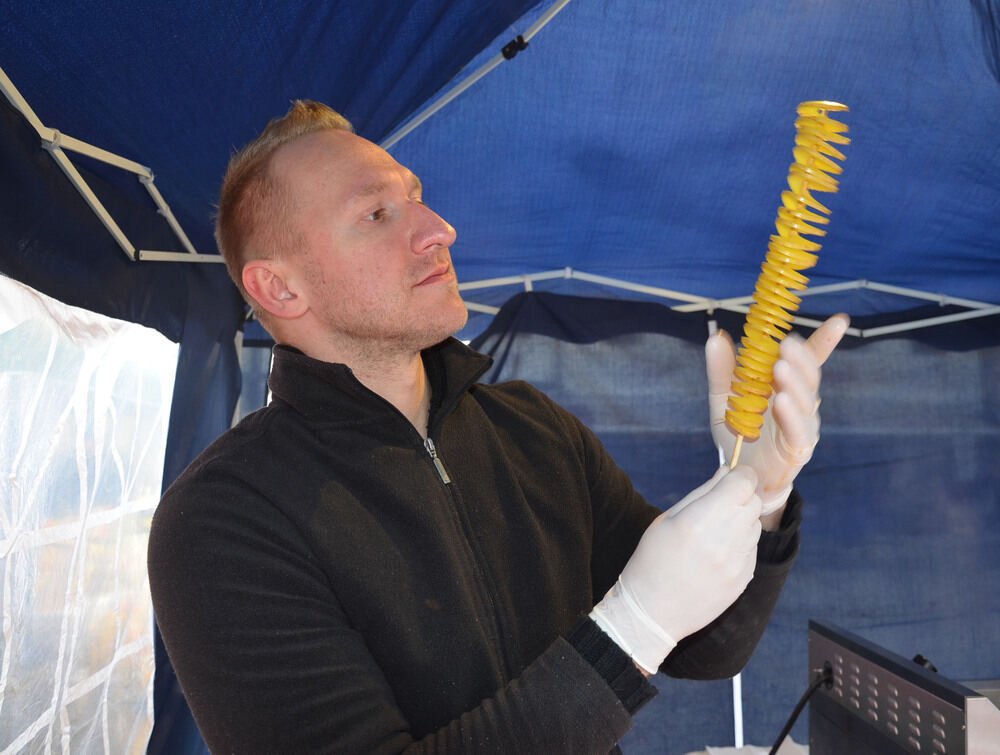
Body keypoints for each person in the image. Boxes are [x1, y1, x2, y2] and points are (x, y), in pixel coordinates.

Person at [147, 100, 849, 754]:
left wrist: (759, 493)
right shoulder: (223, 518)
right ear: (281, 288)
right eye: (376, 214)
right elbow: (648, 627)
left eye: (416, 197)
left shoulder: (532, 430)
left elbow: (707, 645)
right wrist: (632, 627)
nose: (438, 229)